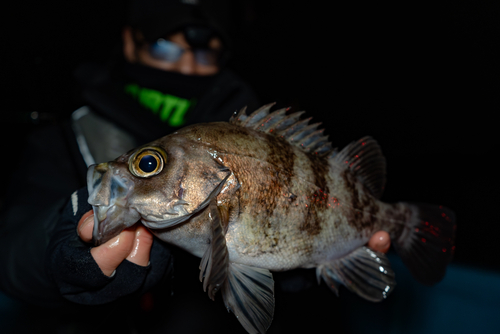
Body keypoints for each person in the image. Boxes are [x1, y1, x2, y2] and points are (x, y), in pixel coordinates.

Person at [0, 0, 390, 332]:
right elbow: (10, 257)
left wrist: (305, 273)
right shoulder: (62, 137)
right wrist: (58, 245)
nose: (186, 67)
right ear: (129, 41)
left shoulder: (244, 124)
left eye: (204, 51)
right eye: (166, 47)